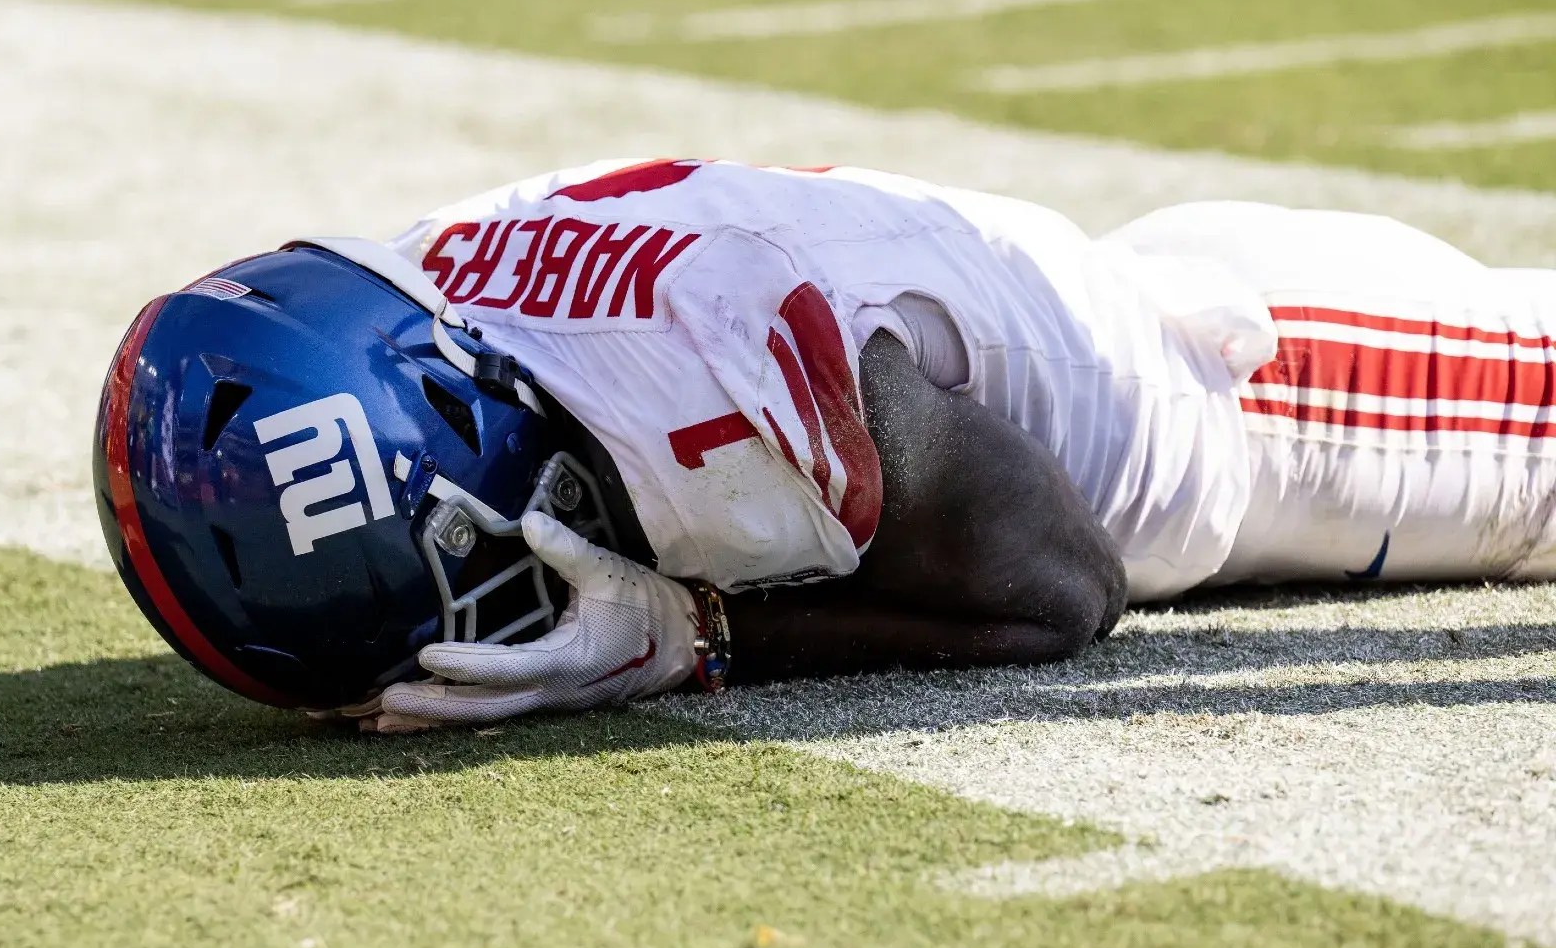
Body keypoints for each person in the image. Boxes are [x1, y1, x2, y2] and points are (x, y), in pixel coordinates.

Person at [94, 158, 1556, 732]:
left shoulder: (712, 386)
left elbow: (1058, 585)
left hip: (1282, 399)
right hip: (1090, 301)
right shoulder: (427, 292)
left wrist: (702, 634)